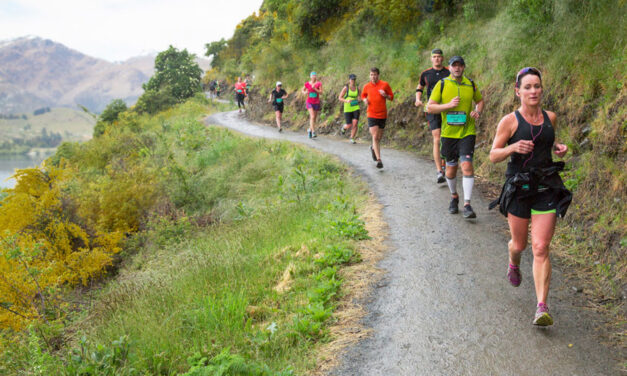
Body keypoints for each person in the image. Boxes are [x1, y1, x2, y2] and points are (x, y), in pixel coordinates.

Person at [489, 67, 571, 326]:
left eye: (537, 86)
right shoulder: (509, 121)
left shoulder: (551, 117)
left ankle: (541, 307)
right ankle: (513, 261)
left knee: (541, 247)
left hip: (546, 185)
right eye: (527, 87)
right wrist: (513, 146)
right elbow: (493, 155)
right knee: (520, 245)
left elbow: (549, 142)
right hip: (519, 187)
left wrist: (558, 148)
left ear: (542, 89)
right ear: (518, 92)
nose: (533, 91)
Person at [427, 56, 484, 218]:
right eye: (454, 65)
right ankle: (454, 197)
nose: (457, 68)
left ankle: (467, 204)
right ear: (449, 68)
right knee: (451, 170)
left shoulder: (470, 84)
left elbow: (480, 101)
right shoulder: (442, 84)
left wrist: (477, 111)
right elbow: (430, 107)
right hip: (448, 134)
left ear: (464, 67)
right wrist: (448, 106)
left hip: (467, 132)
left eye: (460, 65)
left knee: (467, 166)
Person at [415, 48, 450, 183]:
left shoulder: (448, 72)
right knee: (437, 137)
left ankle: (446, 164)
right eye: (434, 56)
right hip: (432, 108)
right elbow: (420, 88)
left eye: (439, 56)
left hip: (448, 109)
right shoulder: (426, 73)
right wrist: (418, 99)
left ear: (442, 58)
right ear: (431, 58)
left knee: (446, 137)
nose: (437, 59)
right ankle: (439, 171)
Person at [362, 67, 394, 169]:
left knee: (379, 138)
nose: (373, 76)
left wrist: (385, 95)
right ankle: (379, 160)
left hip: (382, 114)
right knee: (375, 136)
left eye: (375, 74)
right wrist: (365, 100)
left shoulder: (384, 85)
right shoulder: (366, 86)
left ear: (378, 75)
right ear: (369, 75)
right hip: (371, 114)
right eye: (371, 74)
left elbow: (391, 97)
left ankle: (373, 148)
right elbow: (363, 95)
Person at [338, 74, 360, 144]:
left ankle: (352, 138)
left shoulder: (358, 88)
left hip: (355, 107)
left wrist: (360, 99)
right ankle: (344, 128)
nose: (353, 81)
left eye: (354, 79)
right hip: (347, 108)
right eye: (352, 79)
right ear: (349, 80)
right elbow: (340, 97)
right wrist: (346, 100)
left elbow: (360, 96)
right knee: (349, 125)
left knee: (355, 123)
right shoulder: (346, 88)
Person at [302, 72, 322, 139]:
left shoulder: (319, 83)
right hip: (309, 102)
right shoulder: (307, 84)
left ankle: (310, 130)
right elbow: (303, 90)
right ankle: (313, 132)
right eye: (312, 76)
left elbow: (321, 92)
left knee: (314, 118)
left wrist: (315, 89)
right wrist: (305, 92)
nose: (314, 77)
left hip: (316, 102)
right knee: (312, 116)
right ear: (310, 77)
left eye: (315, 76)